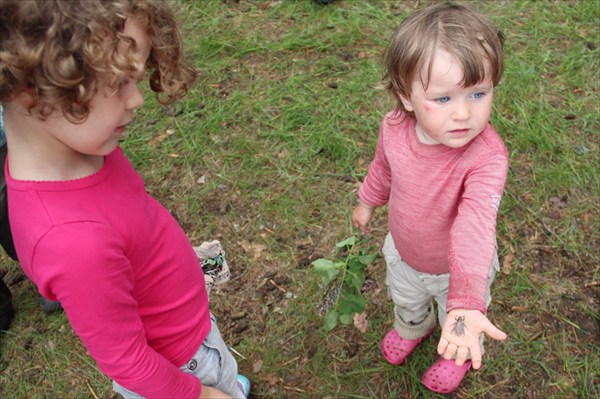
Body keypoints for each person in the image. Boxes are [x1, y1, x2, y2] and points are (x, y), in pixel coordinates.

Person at [0, 1, 249, 398]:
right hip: (182, 363)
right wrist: (200, 393)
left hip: (183, 320)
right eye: (118, 84)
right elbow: (129, 361)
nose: (136, 100)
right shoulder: (72, 243)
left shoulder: (77, 148)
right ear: (31, 93)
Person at [352, 2, 509, 394]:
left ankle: (454, 351)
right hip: (403, 253)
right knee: (406, 297)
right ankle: (412, 326)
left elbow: (476, 224)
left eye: (478, 93)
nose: (462, 114)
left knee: (455, 319)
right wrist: (368, 201)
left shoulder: (487, 158)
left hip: (457, 271)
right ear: (406, 96)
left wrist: (468, 299)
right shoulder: (393, 127)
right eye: (443, 99)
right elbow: (383, 168)